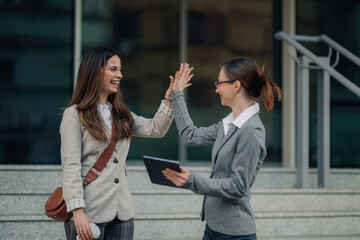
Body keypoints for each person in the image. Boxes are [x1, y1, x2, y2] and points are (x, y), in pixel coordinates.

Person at [60, 46, 174, 240]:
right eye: (113, 69)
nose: (120, 75)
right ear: (95, 72)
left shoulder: (122, 114)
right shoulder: (74, 115)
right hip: (89, 212)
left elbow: (155, 129)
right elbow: (71, 166)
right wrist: (77, 211)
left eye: (120, 70)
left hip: (122, 213)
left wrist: (169, 98)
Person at [163, 57, 282, 240]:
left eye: (219, 83)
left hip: (235, 235)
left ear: (236, 86)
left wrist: (192, 180)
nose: (216, 88)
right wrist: (177, 94)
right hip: (213, 229)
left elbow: (238, 186)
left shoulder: (251, 131)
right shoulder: (228, 124)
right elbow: (190, 135)